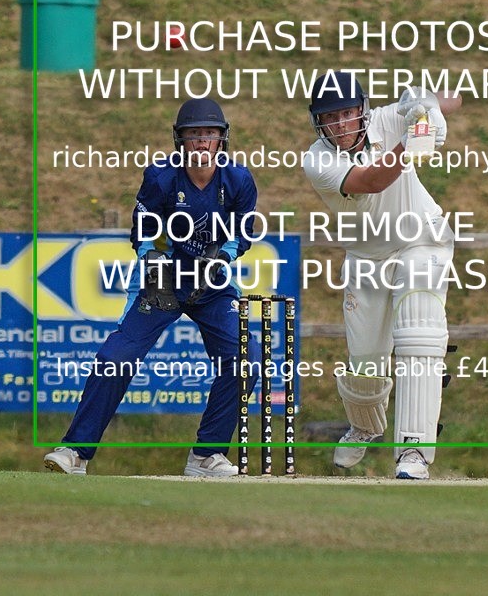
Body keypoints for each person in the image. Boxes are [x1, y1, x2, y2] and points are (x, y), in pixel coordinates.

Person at [44, 98, 260, 477]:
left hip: (212, 285)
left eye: (209, 134)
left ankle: (206, 456)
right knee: (115, 359)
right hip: (162, 284)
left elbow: (243, 232)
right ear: (180, 141)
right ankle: (76, 451)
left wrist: (222, 260)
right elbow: (143, 229)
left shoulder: (239, 181)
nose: (201, 143)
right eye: (194, 135)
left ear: (222, 140)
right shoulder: (161, 177)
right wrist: (152, 260)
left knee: (245, 360)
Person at [303, 70, 460, 480]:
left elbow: (434, 113)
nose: (340, 124)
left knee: (419, 333)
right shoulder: (317, 160)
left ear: (362, 111)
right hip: (366, 256)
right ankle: (366, 425)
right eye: (330, 117)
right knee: (365, 362)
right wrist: (409, 143)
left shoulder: (388, 118)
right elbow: (371, 181)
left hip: (420, 239)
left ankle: (414, 451)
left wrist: (423, 106)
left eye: (348, 113)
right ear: (318, 122)